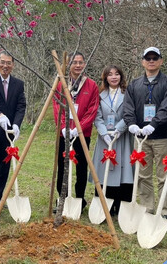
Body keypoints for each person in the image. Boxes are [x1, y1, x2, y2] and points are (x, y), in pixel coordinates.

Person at [123, 47, 167, 224]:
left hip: (162, 137)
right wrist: (131, 123)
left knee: (165, 176)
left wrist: (154, 124)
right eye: (148, 58)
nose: (151, 61)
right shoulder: (134, 84)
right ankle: (147, 208)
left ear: (161, 61)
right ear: (143, 62)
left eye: (155, 58)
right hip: (140, 139)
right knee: (142, 175)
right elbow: (128, 106)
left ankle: (165, 211)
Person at [53, 52, 99, 212]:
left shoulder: (91, 85)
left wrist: (78, 128)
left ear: (84, 64)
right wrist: (64, 127)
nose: (78, 65)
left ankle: (79, 198)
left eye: (81, 62)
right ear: (69, 65)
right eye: (74, 62)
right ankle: (61, 198)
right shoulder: (61, 84)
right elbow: (57, 105)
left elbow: (92, 109)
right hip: (64, 134)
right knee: (62, 165)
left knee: (81, 167)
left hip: (82, 134)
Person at [0, 51, 26, 218]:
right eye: (2, 62)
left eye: (9, 63)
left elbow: (21, 106)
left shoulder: (18, 84)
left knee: (4, 167)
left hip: (9, 134)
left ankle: (0, 199)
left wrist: (16, 124)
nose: (5, 65)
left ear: (13, 65)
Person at [90, 65, 134, 216]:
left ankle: (120, 206)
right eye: (110, 74)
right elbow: (97, 116)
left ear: (121, 76)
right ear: (105, 78)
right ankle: (104, 205)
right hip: (105, 138)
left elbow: (130, 113)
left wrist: (119, 129)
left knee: (123, 170)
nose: (114, 77)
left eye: (116, 74)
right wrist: (104, 133)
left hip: (122, 137)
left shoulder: (128, 94)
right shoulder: (100, 95)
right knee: (105, 170)